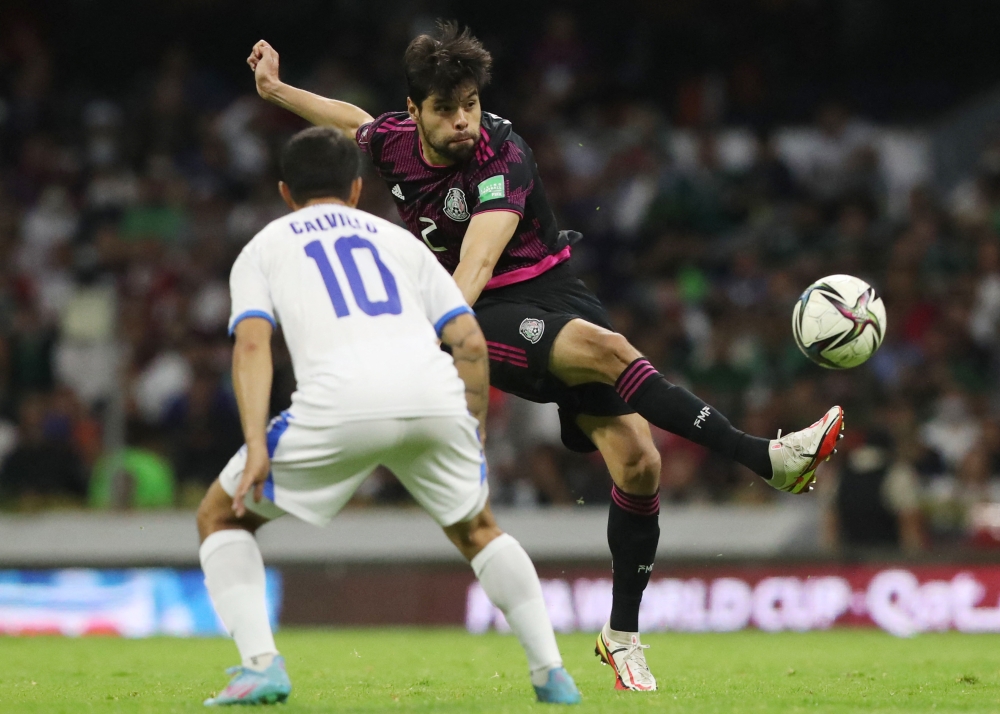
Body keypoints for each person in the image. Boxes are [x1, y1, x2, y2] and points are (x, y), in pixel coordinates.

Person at [246, 23, 844, 692]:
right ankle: (768, 459)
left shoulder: (504, 153)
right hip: (477, 311)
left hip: (550, 289)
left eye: (469, 103)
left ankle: (621, 636)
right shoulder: (391, 142)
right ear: (414, 113)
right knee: (609, 349)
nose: (464, 120)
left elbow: (481, 250)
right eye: (446, 109)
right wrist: (275, 90)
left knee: (640, 463)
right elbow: (358, 127)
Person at [196, 127, 581, 706]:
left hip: (339, 402)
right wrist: (471, 426)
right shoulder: (400, 242)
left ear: (284, 191)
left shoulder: (264, 247)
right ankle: (551, 672)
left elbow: (252, 347)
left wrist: (256, 442)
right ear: (356, 189)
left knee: (220, 518)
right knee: (478, 530)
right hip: (432, 394)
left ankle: (261, 665)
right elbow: (469, 342)